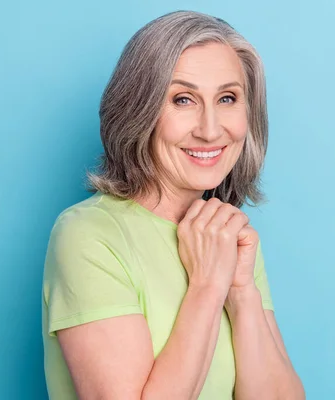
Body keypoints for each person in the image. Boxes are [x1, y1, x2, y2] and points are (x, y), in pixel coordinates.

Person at [42, 10, 305, 400]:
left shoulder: (225, 232)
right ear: (138, 109)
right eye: (183, 99)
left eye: (228, 98)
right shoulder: (88, 236)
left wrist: (241, 291)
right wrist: (207, 284)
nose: (211, 129)